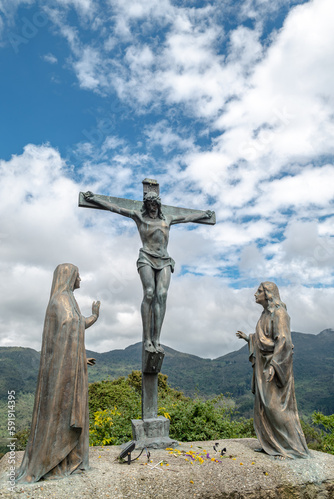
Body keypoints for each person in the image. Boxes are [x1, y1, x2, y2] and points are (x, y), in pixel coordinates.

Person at [84, 190, 212, 354]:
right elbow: (115, 208)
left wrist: (204, 214)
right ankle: (147, 339)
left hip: (164, 260)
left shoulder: (169, 219)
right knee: (150, 293)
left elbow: (187, 218)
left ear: (158, 204)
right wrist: (95, 199)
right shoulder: (140, 217)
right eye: (149, 204)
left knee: (162, 295)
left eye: (154, 204)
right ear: (146, 205)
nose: (152, 207)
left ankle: (156, 339)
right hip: (146, 258)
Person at [16, 263, 100, 483]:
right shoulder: (60, 300)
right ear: (69, 276)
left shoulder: (68, 299)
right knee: (60, 414)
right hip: (63, 374)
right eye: (77, 275)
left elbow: (72, 330)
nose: (80, 279)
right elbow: (68, 329)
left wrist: (80, 357)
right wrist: (92, 318)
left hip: (71, 367)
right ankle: (53, 463)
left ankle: (71, 460)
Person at [236, 281, 309, 459]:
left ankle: (292, 448)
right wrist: (249, 339)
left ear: (268, 294)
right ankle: (272, 444)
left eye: (258, 291)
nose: (255, 294)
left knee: (276, 407)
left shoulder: (280, 313)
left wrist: (275, 366)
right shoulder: (264, 315)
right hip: (264, 364)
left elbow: (284, 341)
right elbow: (264, 339)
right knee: (264, 406)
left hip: (274, 366)